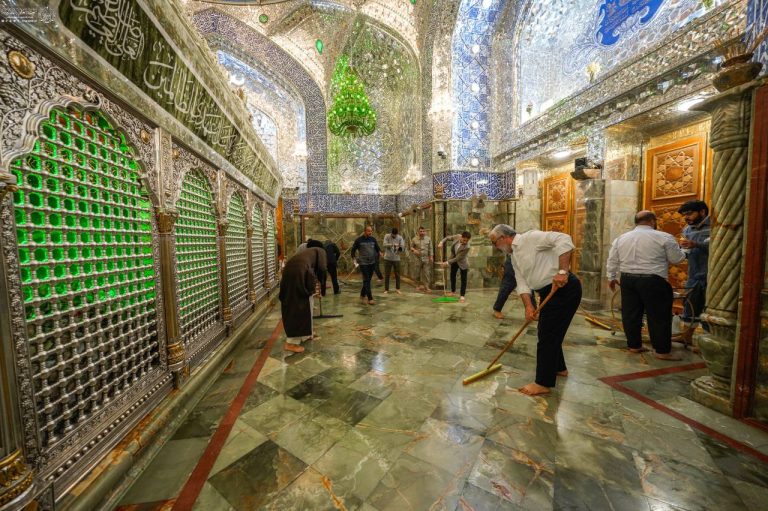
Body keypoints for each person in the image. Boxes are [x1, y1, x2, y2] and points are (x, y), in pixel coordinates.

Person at [489, 224, 582, 396]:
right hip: (547, 293)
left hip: (563, 289)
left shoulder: (530, 238)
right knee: (549, 331)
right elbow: (522, 282)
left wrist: (562, 271)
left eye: (494, 242)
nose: (495, 247)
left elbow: (564, 239)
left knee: (547, 335)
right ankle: (559, 368)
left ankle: (543, 383)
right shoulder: (514, 256)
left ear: (504, 237)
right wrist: (528, 306)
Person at [606, 210, 686, 360]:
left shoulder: (621, 238)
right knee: (659, 315)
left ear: (636, 222)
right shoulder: (664, 237)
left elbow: (612, 259)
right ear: (652, 221)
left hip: (628, 279)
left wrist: (611, 277)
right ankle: (662, 351)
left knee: (631, 314)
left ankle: (634, 346)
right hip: (653, 281)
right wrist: (685, 251)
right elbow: (676, 259)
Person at [278, 247, 327, 353]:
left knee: (307, 303)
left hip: (294, 272)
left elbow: (315, 272)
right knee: (298, 306)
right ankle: (291, 343)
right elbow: (322, 270)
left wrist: (315, 289)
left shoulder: (310, 252)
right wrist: (323, 290)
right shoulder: (322, 252)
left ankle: (307, 334)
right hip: (297, 274)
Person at [677, 200, 710, 330]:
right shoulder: (687, 229)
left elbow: (721, 248)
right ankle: (686, 337)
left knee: (710, 312)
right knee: (690, 308)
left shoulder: (716, 226)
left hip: (712, 277)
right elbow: (685, 252)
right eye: (684, 215)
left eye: (689, 214)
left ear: (702, 212)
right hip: (694, 276)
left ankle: (708, 339)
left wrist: (696, 244)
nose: (686, 217)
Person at [351, 226, 383, 305]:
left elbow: (377, 248)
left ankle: (362, 294)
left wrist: (380, 253)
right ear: (364, 231)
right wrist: (354, 261)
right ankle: (370, 298)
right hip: (363, 263)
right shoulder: (358, 240)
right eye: (368, 231)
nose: (370, 232)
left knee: (367, 280)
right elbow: (353, 251)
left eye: (371, 231)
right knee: (367, 280)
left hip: (372, 263)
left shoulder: (373, 239)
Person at [438, 231, 472, 302]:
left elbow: (458, 258)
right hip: (454, 260)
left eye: (467, 241)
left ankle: (462, 295)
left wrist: (447, 263)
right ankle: (453, 291)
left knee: (463, 279)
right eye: (464, 240)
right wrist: (441, 242)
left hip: (462, 263)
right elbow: (447, 238)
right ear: (461, 237)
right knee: (452, 276)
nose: (465, 242)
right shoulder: (457, 236)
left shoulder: (467, 247)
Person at [492, 254, 517, 319]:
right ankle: (497, 309)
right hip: (514, 258)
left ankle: (533, 310)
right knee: (507, 285)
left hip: (527, 260)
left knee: (529, 287)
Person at [383, 227, 405, 294]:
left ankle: (398, 289)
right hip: (388, 258)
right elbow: (384, 244)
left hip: (396, 258)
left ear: (397, 234)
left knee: (397, 274)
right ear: (391, 233)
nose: (394, 236)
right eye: (393, 235)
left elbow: (402, 247)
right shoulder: (387, 236)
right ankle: (386, 289)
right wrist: (391, 244)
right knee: (387, 274)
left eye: (395, 235)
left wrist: (399, 247)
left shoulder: (400, 237)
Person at [410, 226, 433, 292]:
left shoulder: (428, 239)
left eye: (423, 231)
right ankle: (417, 285)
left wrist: (431, 256)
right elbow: (411, 247)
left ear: (425, 232)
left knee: (426, 273)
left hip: (426, 258)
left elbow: (431, 248)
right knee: (417, 273)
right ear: (418, 232)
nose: (422, 232)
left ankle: (427, 287)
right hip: (417, 258)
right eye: (421, 231)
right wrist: (414, 250)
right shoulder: (414, 239)